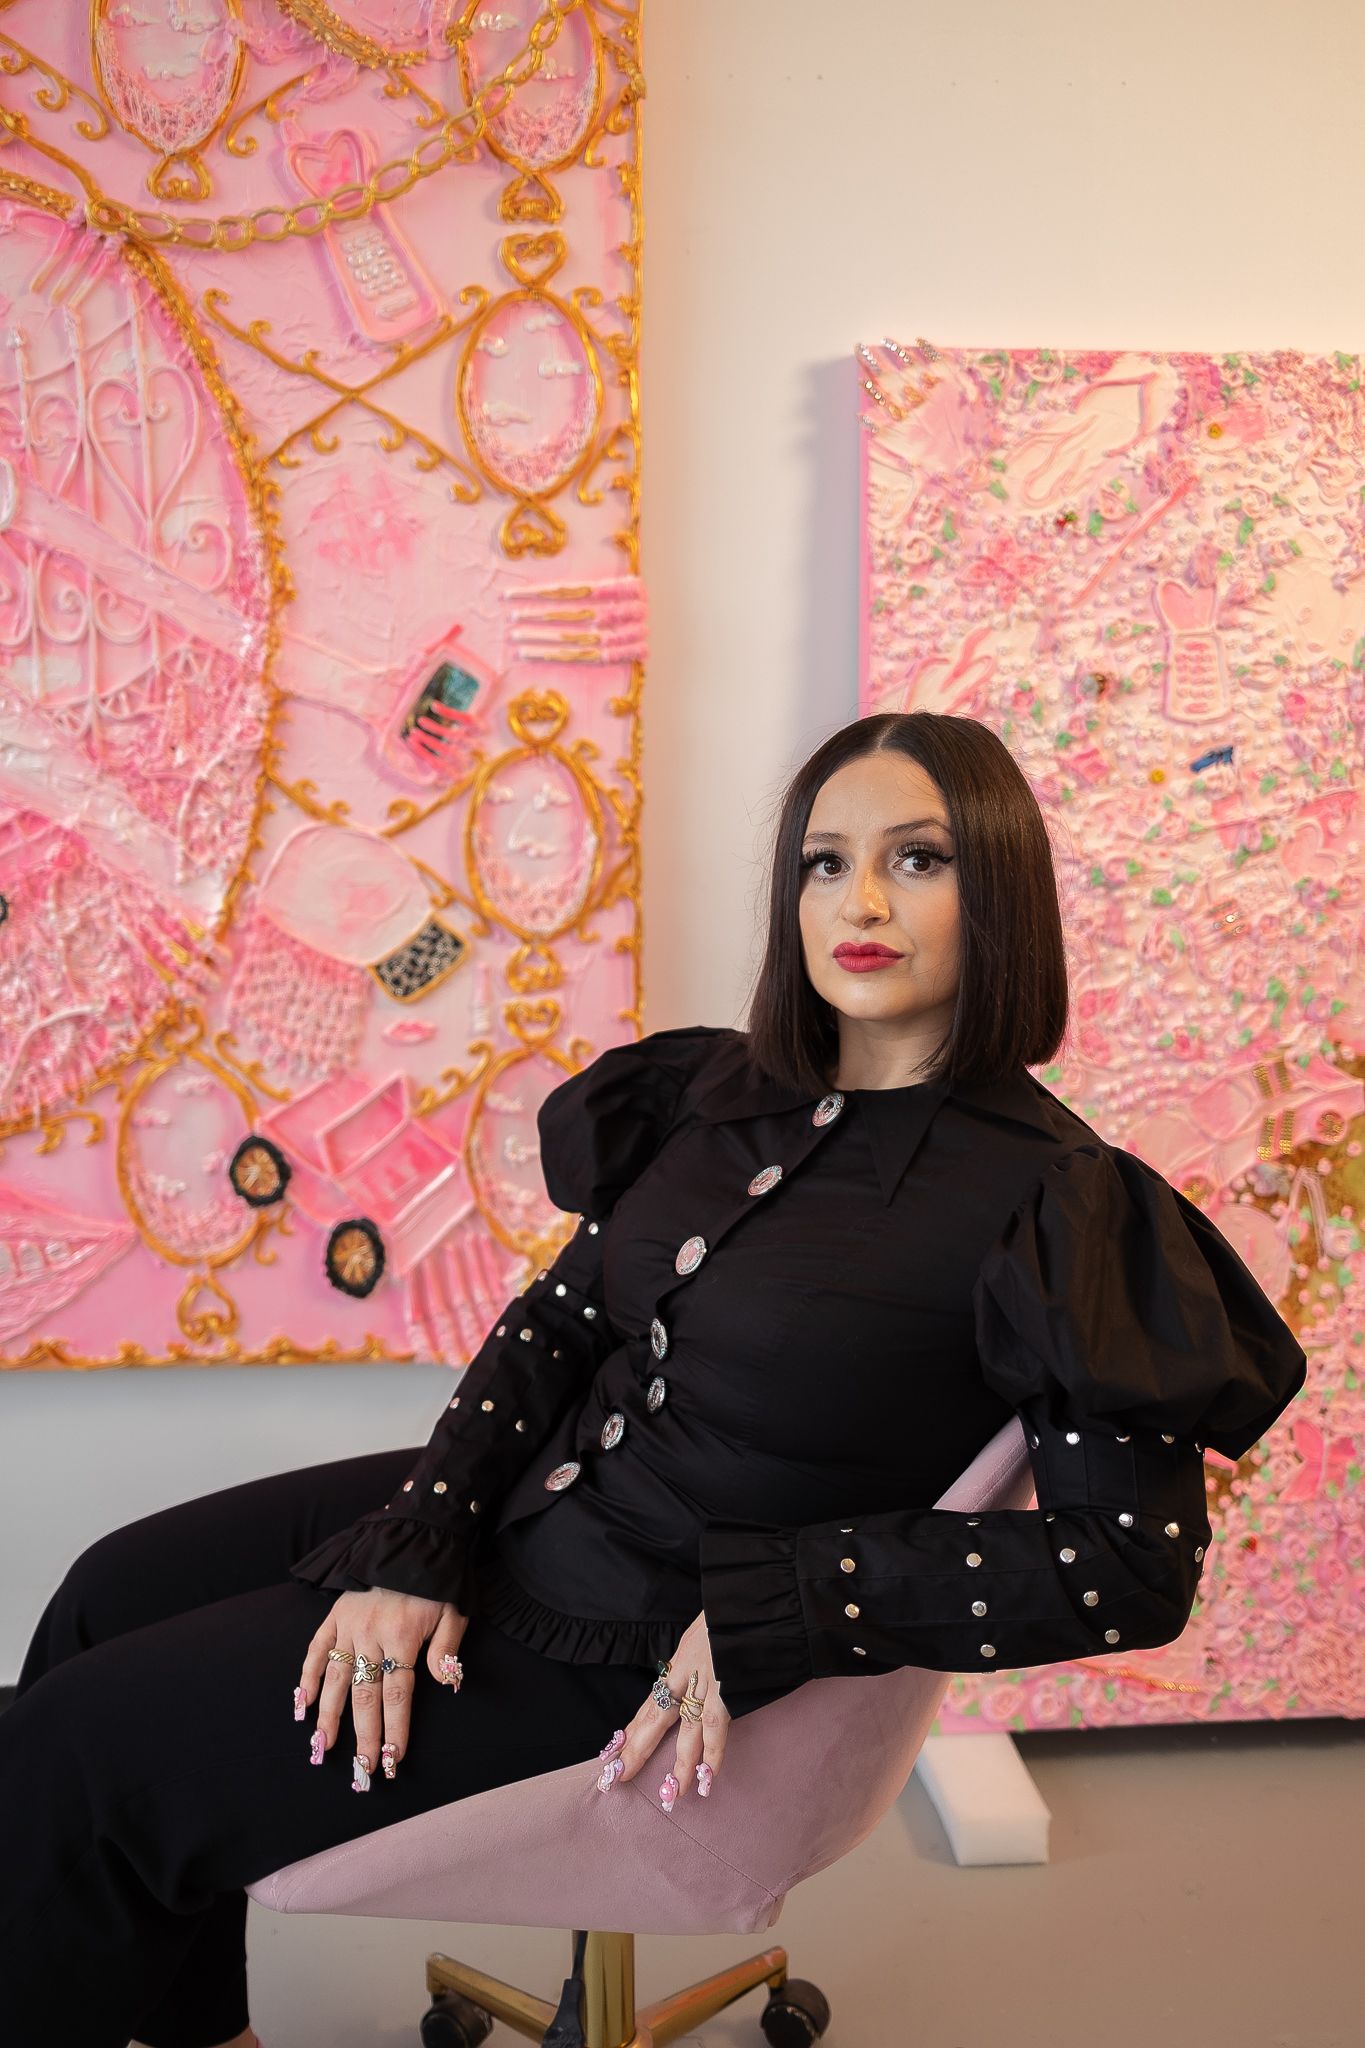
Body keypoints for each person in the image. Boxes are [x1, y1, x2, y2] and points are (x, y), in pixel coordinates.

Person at [3, 711, 1306, 2048]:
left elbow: (1124, 1567)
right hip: (532, 1510)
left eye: (916, 860)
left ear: (999, 886)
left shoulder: (1059, 1203)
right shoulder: (713, 1089)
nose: (856, 901)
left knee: (68, 1763)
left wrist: (793, 1595)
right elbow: (558, 1326)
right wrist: (422, 1543)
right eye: (821, 862)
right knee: (106, 1595)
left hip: (630, 1638)